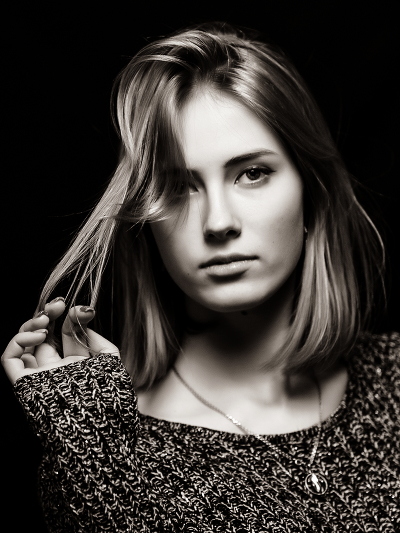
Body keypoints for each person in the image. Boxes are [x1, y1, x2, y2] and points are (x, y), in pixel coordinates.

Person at [2, 21, 399, 532]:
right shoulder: (104, 448)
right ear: (146, 222)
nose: (218, 222)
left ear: (312, 190)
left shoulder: (392, 378)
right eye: (179, 187)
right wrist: (97, 462)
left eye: (252, 173)